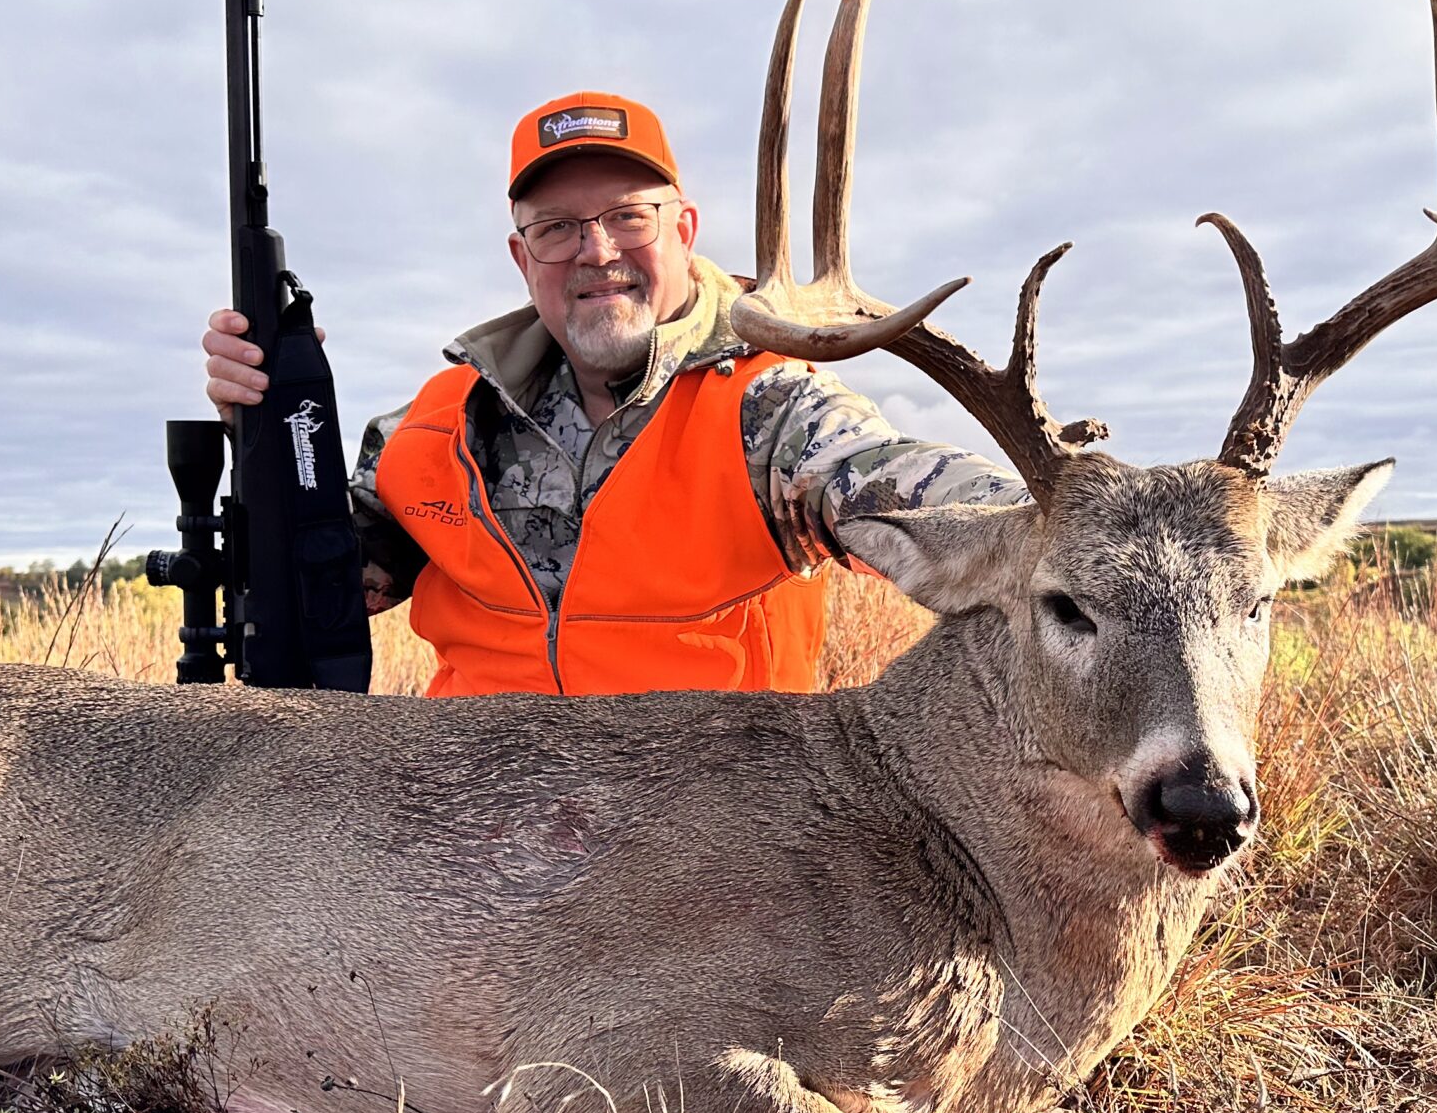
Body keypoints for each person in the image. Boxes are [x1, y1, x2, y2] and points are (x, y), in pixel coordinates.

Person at [202, 90, 1019, 696]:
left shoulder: (771, 411)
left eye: (628, 217)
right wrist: (267, 431)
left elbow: (898, 481)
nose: (595, 251)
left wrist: (1054, 513)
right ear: (522, 258)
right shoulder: (438, 426)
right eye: (556, 227)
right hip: (468, 825)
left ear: (683, 231)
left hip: (711, 833)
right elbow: (320, 587)